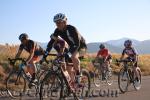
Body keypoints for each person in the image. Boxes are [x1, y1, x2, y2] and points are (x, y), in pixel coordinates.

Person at [44, 13, 87, 84]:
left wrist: (69, 54)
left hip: (80, 46)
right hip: (72, 47)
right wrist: (46, 53)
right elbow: (51, 42)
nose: (58, 24)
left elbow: (77, 44)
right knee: (68, 68)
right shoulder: (57, 30)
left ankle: (78, 75)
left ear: (65, 22)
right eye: (56, 23)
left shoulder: (72, 29)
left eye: (59, 22)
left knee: (73, 56)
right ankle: (72, 85)